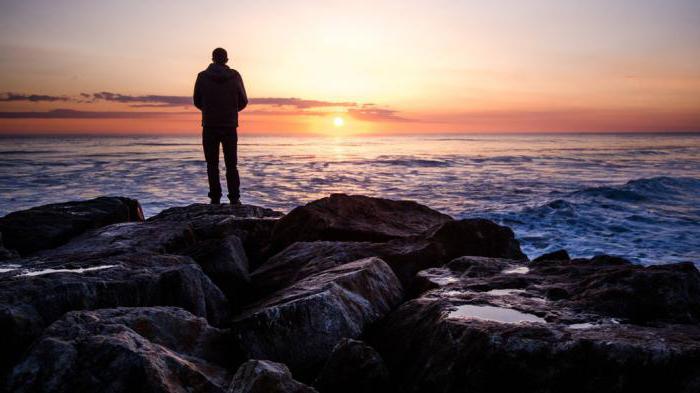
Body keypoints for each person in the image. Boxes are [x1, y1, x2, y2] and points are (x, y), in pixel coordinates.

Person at [193, 47, 248, 204]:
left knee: (212, 164)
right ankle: (235, 198)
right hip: (229, 125)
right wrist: (230, 110)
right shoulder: (235, 76)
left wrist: (210, 110)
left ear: (212, 59)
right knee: (231, 164)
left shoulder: (202, 77)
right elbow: (243, 100)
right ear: (226, 60)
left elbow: (197, 100)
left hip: (209, 124)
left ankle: (215, 198)